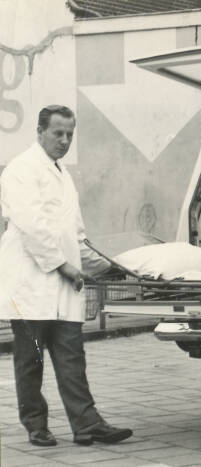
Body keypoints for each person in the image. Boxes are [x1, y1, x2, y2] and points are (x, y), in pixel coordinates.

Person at [0, 105, 133, 446]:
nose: (64, 140)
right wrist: (64, 267)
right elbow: (32, 228)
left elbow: (76, 237)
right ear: (40, 132)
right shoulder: (20, 170)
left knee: (72, 359)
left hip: (64, 288)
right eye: (57, 133)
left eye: (69, 134)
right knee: (31, 360)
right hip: (30, 287)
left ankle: (87, 424)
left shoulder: (64, 177)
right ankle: (36, 425)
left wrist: (109, 266)